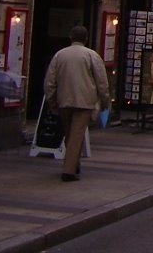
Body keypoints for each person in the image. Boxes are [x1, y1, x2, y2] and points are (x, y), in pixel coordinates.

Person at [43, 25, 110, 181]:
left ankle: (74, 163)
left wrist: (51, 100)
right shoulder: (91, 55)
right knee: (76, 135)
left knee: (69, 134)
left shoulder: (59, 55)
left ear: (70, 37)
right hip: (84, 101)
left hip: (64, 100)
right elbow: (102, 82)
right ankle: (69, 171)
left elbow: (50, 81)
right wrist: (105, 100)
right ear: (86, 39)